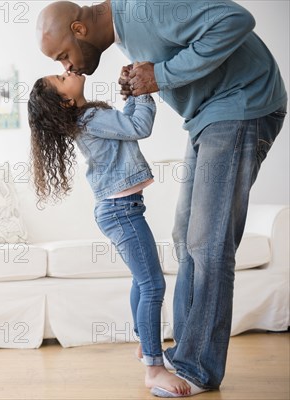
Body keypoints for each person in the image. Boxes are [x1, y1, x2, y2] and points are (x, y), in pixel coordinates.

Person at [36, 1, 287, 397]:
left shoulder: (143, 9)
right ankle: (186, 352)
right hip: (209, 116)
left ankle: (197, 368)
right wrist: (143, 82)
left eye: (63, 55)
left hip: (241, 103)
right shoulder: (123, 35)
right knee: (187, 236)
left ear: (79, 29)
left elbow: (238, 19)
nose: (69, 67)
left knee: (208, 244)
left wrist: (160, 76)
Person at [28, 70, 190, 396]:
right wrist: (143, 91)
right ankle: (154, 370)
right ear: (66, 100)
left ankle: (146, 348)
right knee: (152, 284)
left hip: (121, 208)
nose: (67, 71)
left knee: (141, 280)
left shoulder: (90, 117)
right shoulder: (89, 118)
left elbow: (126, 129)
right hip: (121, 211)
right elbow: (139, 127)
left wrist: (131, 96)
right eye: (61, 78)